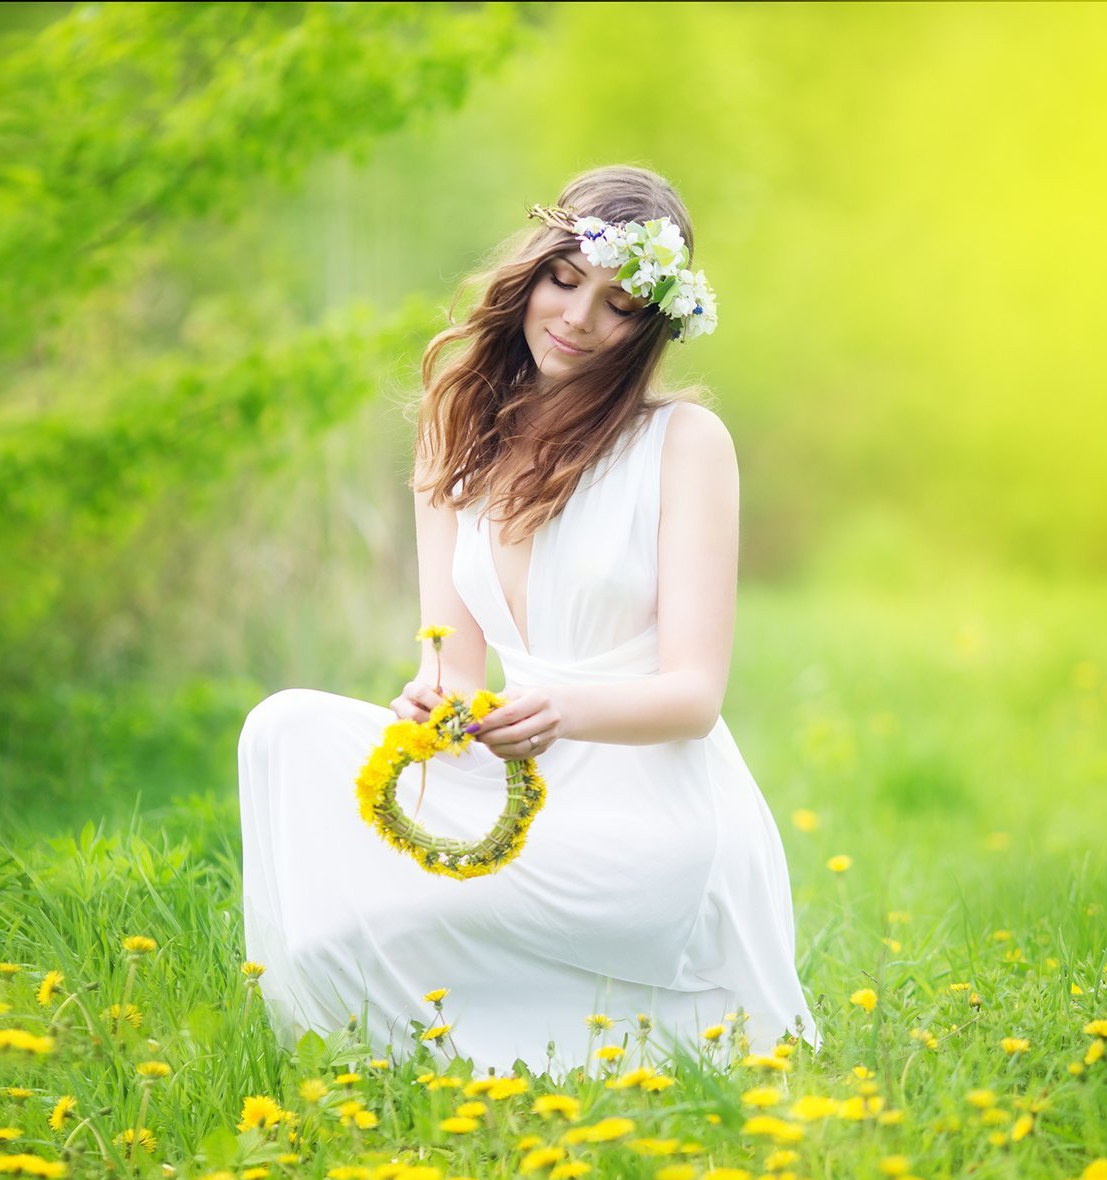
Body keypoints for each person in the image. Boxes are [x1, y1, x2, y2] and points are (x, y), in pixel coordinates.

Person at [238, 163, 818, 1076]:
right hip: (514, 768)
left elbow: (694, 697)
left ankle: (570, 1026)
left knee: (399, 917)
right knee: (283, 731)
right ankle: (402, 1039)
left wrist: (561, 711)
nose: (579, 320)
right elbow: (456, 664)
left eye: (620, 304)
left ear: (652, 324)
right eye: (564, 280)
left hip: (647, 803)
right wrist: (437, 703)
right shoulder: (455, 425)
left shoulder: (684, 446)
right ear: (532, 271)